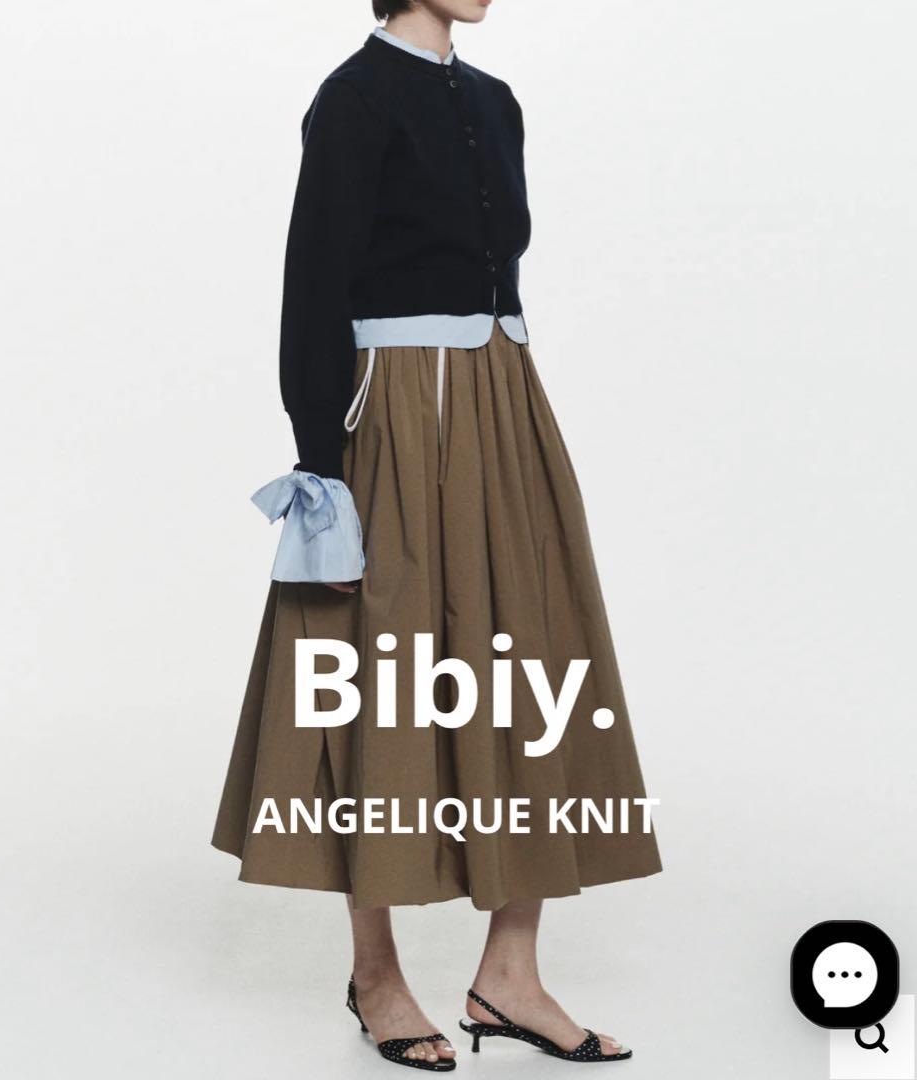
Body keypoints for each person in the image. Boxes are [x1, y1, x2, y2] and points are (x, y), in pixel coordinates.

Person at [213, 1, 662, 1069]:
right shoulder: (354, 98)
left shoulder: (496, 101)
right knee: (383, 668)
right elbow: (313, 286)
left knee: (534, 657)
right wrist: (321, 465)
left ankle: (509, 975)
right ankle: (376, 975)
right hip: (396, 409)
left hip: (504, 394)